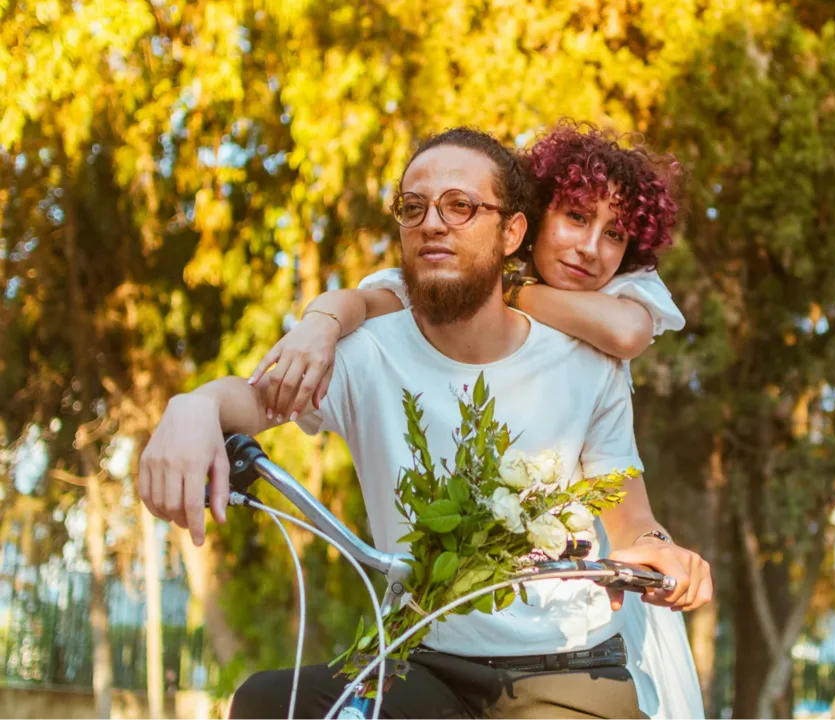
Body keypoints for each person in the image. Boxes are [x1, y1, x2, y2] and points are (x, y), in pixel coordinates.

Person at [138, 127, 713, 720]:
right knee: (269, 703)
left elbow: (629, 513)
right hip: (423, 662)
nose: (435, 223)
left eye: (460, 206)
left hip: (565, 668)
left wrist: (659, 550)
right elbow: (254, 399)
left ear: (512, 231)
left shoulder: (587, 358)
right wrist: (194, 406)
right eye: (415, 207)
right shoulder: (370, 349)